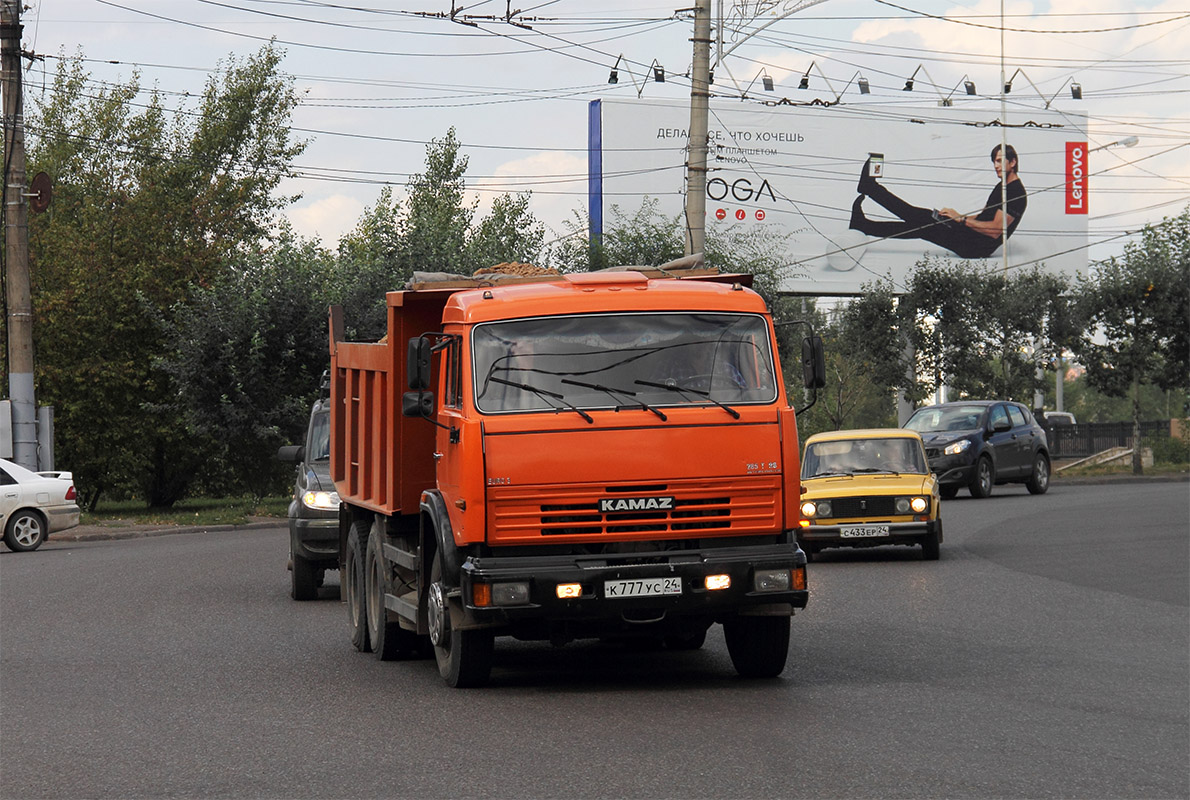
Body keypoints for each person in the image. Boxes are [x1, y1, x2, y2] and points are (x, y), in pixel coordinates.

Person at [848, 144, 1027, 259]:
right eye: (994, 162)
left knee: (919, 221)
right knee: (922, 218)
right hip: (971, 237)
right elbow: (985, 216)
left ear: (1012, 162)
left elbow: (995, 230)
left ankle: (869, 190)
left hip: (975, 247)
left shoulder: (1016, 192)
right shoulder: (1002, 185)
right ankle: (864, 222)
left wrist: (961, 220)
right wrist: (957, 217)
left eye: (999, 161)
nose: (995, 166)